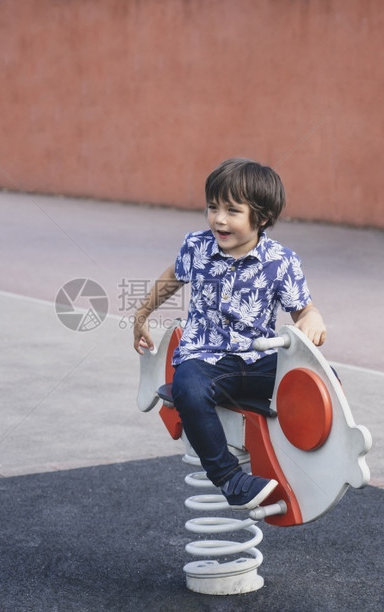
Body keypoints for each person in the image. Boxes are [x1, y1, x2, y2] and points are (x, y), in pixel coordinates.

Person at [132, 158, 327, 511]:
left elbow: (305, 310)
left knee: (319, 382)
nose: (219, 219)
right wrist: (142, 313)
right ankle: (230, 479)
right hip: (205, 358)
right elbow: (171, 279)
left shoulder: (281, 261)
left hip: (257, 359)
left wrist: (313, 320)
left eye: (232, 211)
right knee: (187, 386)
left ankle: (310, 466)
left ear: (262, 218)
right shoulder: (197, 246)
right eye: (212, 207)